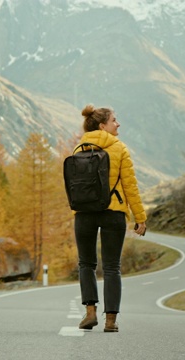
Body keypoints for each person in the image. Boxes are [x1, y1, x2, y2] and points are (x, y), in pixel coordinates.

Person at [74, 104, 147, 333]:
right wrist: (140, 217)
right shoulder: (119, 148)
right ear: (102, 125)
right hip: (113, 212)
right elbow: (130, 186)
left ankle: (90, 313)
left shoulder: (80, 147)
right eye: (114, 120)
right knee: (112, 267)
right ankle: (111, 321)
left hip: (84, 212)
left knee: (86, 264)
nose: (118, 124)